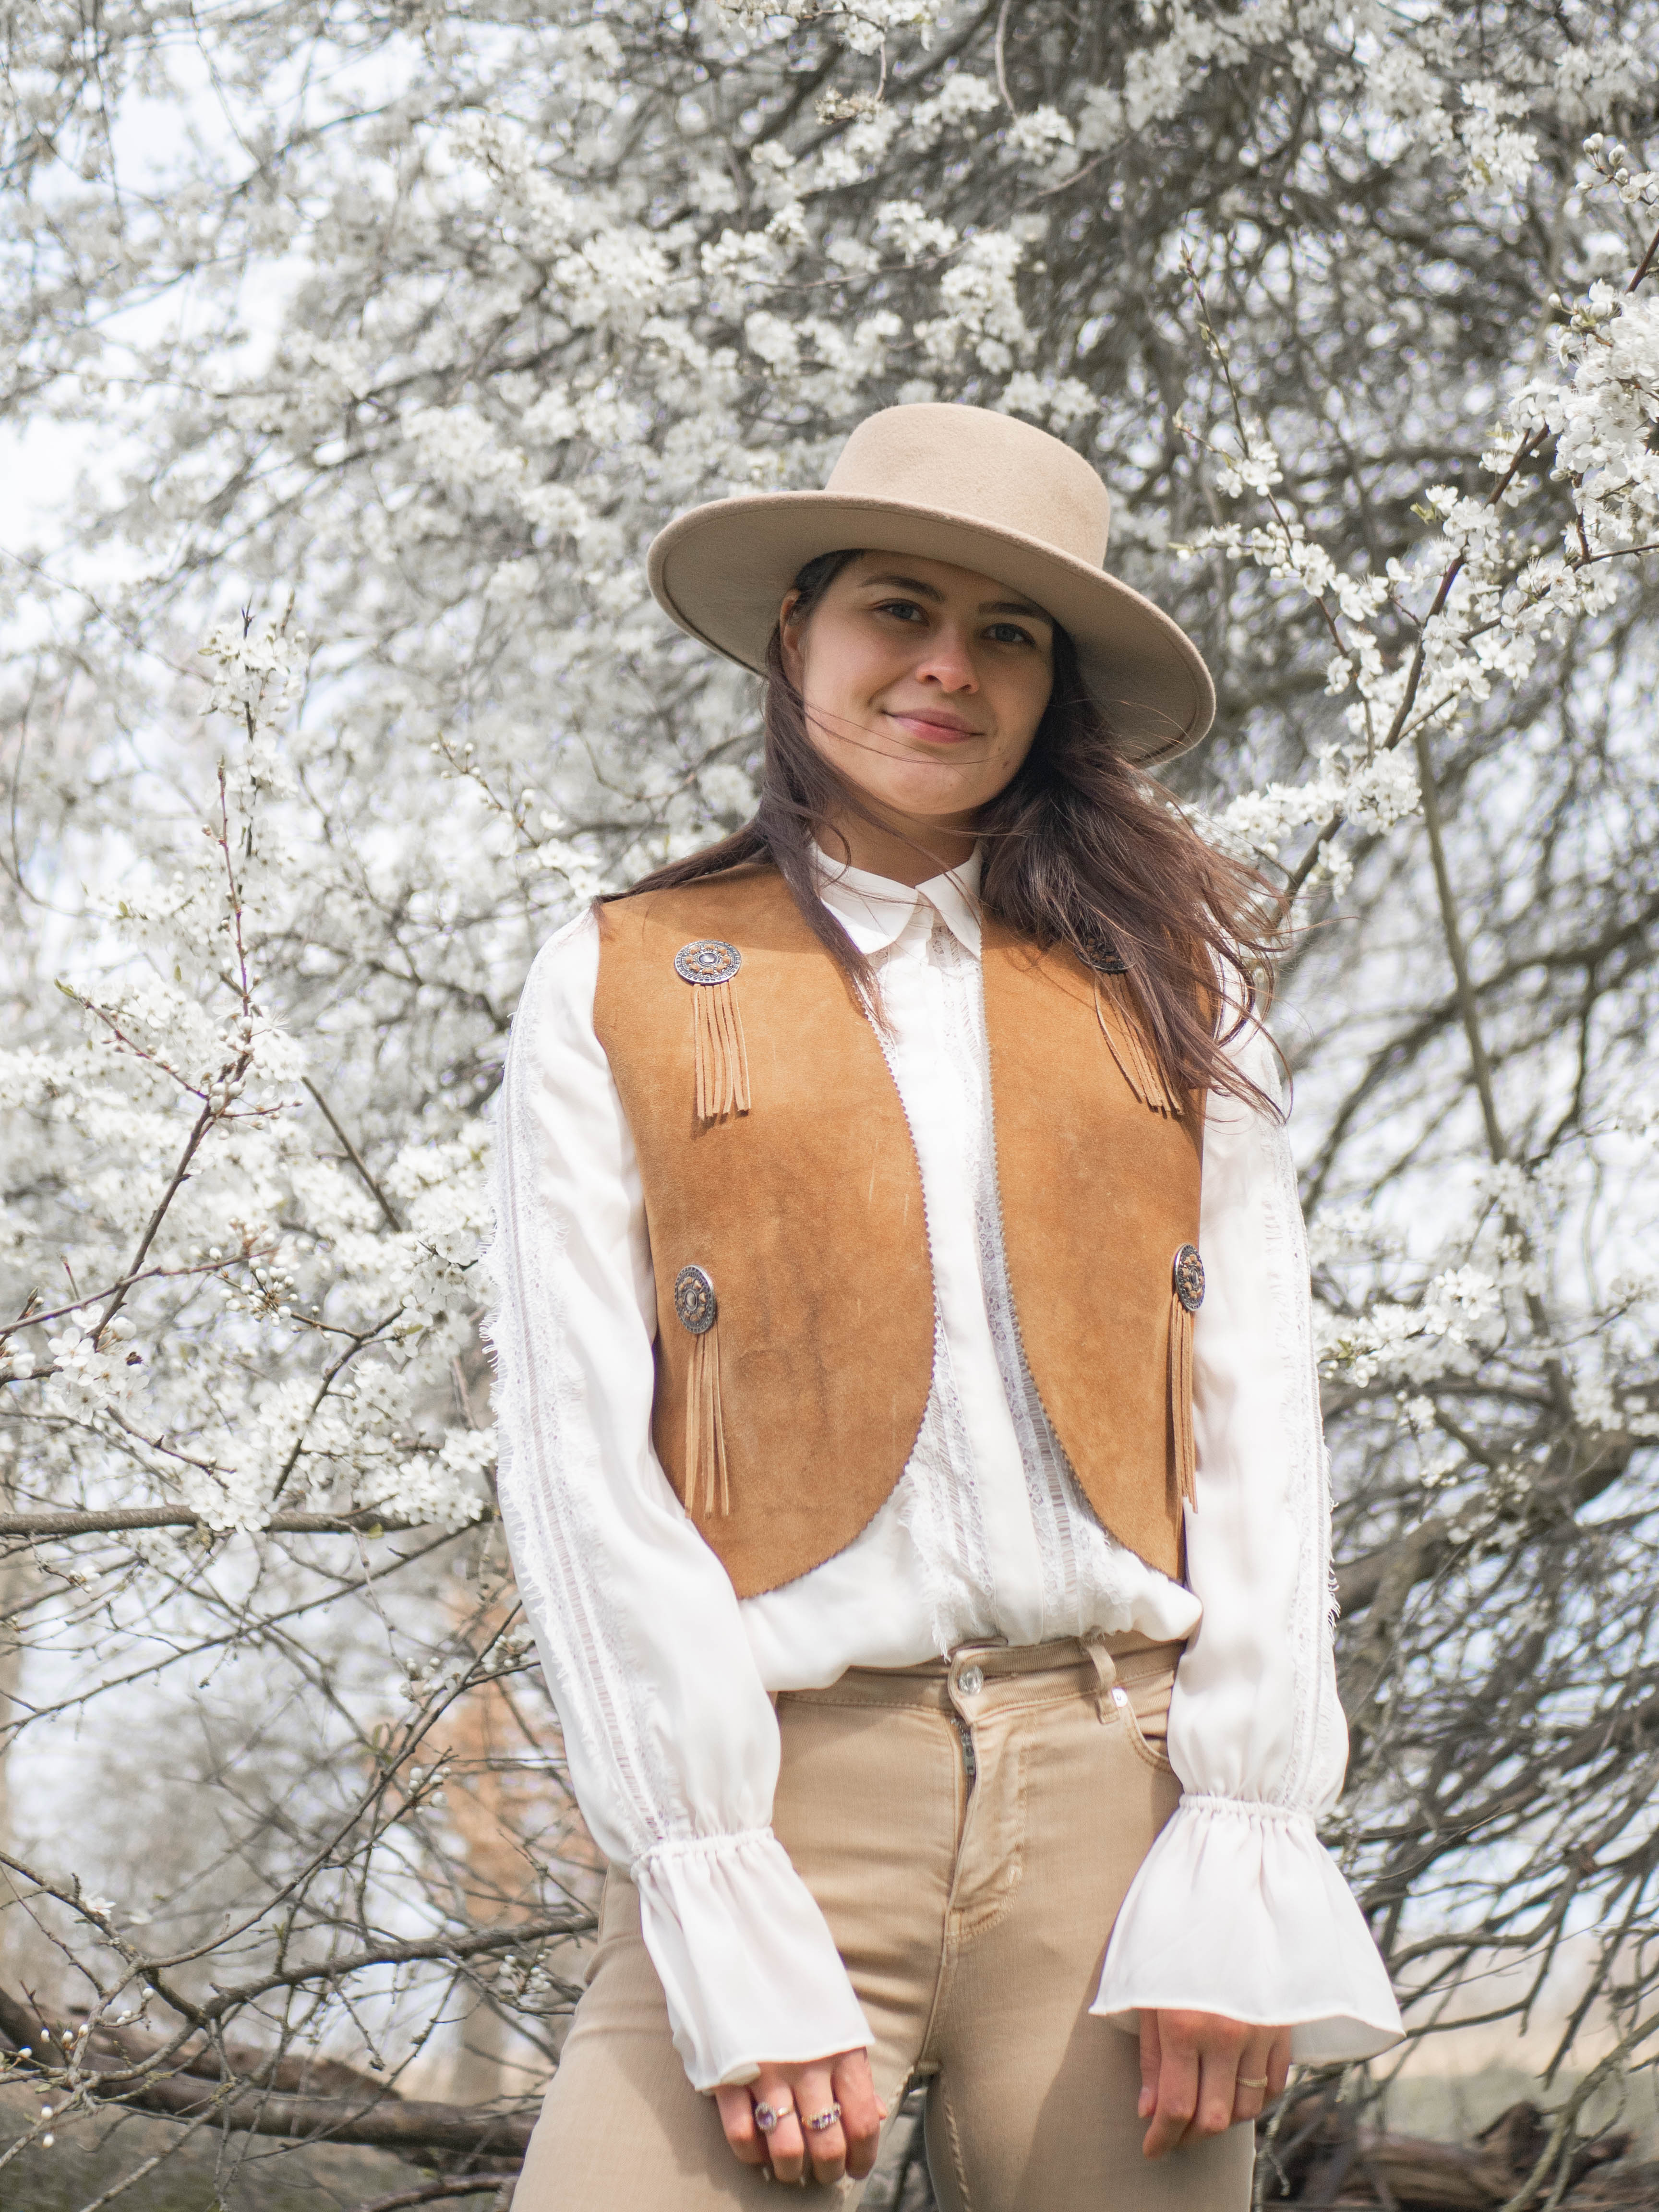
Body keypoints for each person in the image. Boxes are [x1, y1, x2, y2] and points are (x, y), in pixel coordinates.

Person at [486, 403, 1402, 2210]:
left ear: (1053, 689)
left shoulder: (1171, 983)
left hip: (1119, 1812)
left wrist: (1240, 1840)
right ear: (797, 632)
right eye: (898, 610)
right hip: (778, 1792)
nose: (947, 670)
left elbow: (1259, 1416)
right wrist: (709, 1874)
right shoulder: (621, 976)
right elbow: (577, 1451)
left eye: (1008, 634)